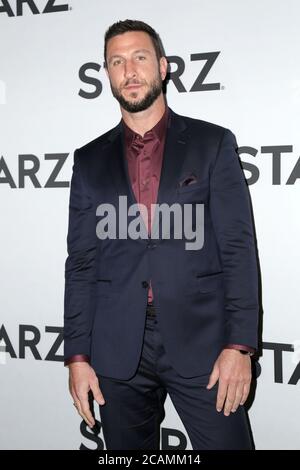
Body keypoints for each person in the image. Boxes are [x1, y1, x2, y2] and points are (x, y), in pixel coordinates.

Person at [64, 19, 259, 450]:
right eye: (117, 61)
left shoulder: (213, 143)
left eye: (139, 57)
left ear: (163, 66)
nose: (129, 70)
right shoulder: (88, 160)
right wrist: (77, 357)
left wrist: (240, 345)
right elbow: (80, 263)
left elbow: (238, 249)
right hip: (117, 348)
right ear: (108, 75)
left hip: (205, 343)